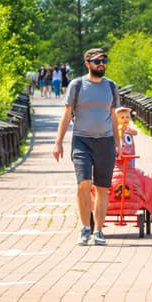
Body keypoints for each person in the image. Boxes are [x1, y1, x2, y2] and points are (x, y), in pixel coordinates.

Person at [53, 48, 121, 246]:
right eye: (97, 61)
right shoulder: (77, 85)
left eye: (104, 60)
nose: (102, 63)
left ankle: (99, 230)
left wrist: (117, 142)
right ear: (87, 64)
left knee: (102, 188)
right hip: (82, 140)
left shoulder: (111, 86)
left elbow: (113, 116)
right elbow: (67, 115)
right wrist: (58, 142)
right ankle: (85, 228)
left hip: (106, 141)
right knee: (83, 183)